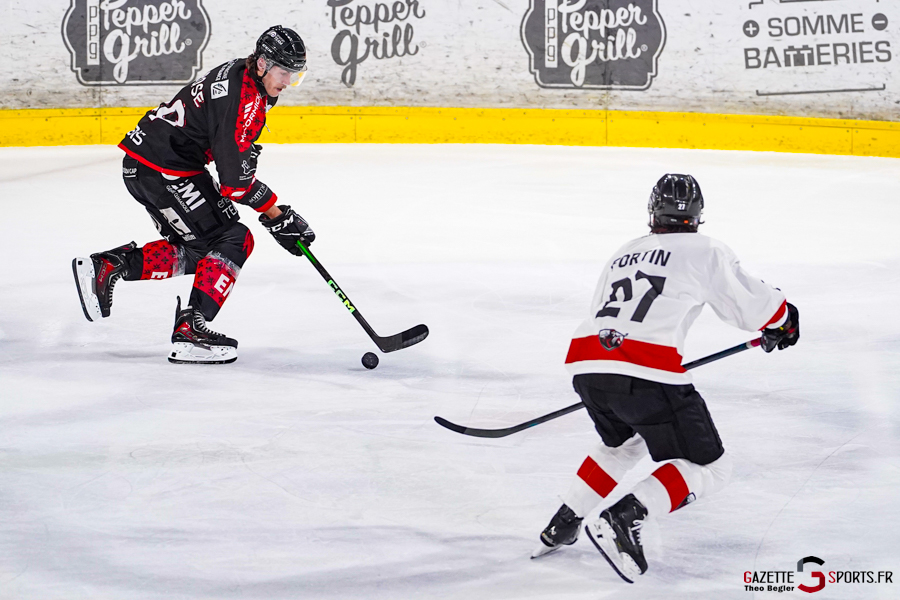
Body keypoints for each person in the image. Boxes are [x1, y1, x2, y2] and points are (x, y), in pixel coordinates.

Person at [531, 174, 799, 583]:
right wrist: (784, 320)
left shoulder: (624, 252)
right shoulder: (705, 250)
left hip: (588, 364)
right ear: (697, 215)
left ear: (653, 212)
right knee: (711, 468)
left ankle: (565, 521)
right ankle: (627, 515)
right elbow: (753, 306)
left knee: (624, 443)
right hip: (645, 371)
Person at [72, 26, 316, 364]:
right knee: (233, 239)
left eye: (295, 74)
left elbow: (224, 142)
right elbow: (234, 184)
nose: (288, 81)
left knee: (202, 250)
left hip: (151, 164)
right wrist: (277, 216)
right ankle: (190, 331)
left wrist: (243, 158)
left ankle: (110, 266)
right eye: (284, 72)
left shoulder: (243, 73)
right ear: (262, 63)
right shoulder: (242, 99)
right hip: (165, 170)